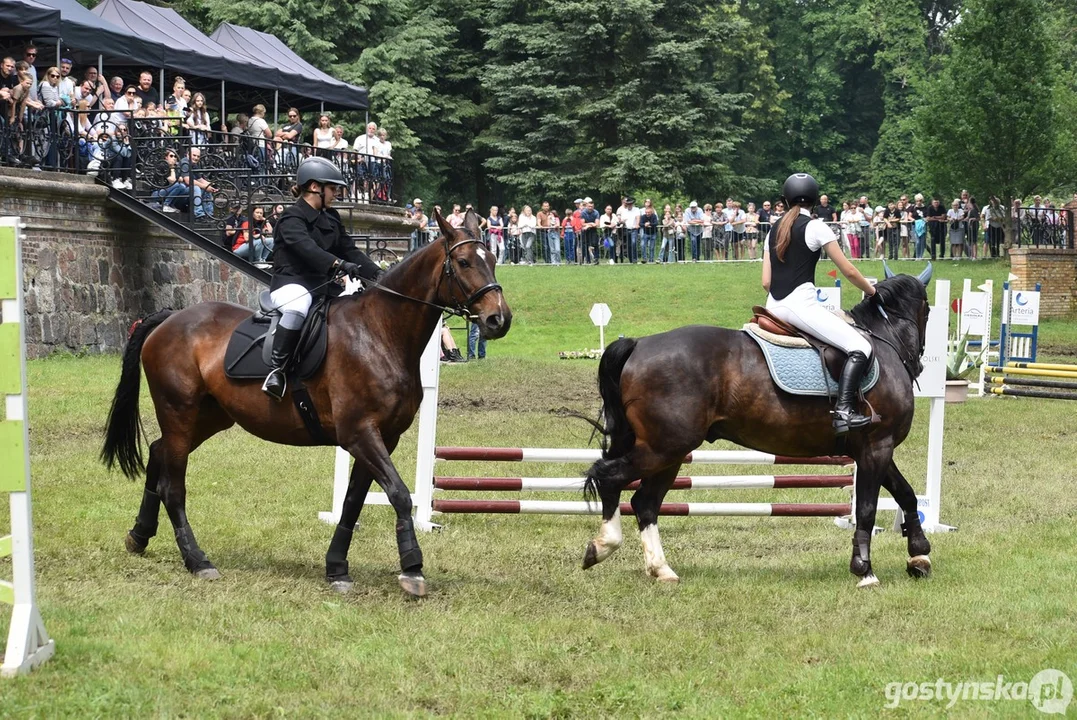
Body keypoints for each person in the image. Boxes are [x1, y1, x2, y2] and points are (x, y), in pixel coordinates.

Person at [762, 173, 877, 435]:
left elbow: (766, 282)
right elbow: (848, 271)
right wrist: (872, 291)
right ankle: (844, 411)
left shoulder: (772, 230)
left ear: (785, 199)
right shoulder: (816, 226)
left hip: (772, 306)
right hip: (800, 306)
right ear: (815, 200)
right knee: (860, 346)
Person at [262, 157, 383, 399]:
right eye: (333, 188)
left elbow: (350, 249)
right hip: (290, 285)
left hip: (323, 288)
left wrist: (378, 274)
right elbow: (307, 249)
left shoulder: (331, 218)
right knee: (298, 305)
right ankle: (277, 370)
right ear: (315, 187)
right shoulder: (291, 218)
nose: (336, 194)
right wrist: (337, 264)